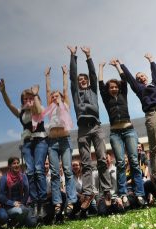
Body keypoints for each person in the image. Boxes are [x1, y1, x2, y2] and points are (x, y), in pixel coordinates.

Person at [119, 54, 156, 196]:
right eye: (139, 78)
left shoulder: (155, 84)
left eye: (142, 76)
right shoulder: (139, 89)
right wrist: (121, 65)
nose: (141, 78)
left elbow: (155, 75)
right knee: (155, 147)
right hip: (151, 115)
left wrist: (152, 61)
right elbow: (130, 79)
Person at [67, 46, 112, 213]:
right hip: (82, 130)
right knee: (86, 163)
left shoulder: (93, 91)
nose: (81, 81)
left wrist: (88, 57)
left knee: (101, 159)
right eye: (80, 81)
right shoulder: (75, 93)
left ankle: (106, 191)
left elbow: (93, 74)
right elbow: (72, 77)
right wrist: (73, 56)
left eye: (84, 80)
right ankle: (88, 193)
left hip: (96, 127)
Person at [98, 59, 145, 208]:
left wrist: (117, 65)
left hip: (129, 130)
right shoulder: (106, 99)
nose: (113, 89)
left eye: (115, 87)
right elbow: (100, 85)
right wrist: (100, 68)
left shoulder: (123, 94)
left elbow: (124, 80)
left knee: (134, 161)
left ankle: (139, 194)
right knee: (120, 163)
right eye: (111, 87)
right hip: (115, 133)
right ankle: (123, 194)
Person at [0, 79, 48, 219]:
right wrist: (3, 92)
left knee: (39, 169)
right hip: (27, 142)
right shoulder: (21, 112)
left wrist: (35, 95)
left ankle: (42, 203)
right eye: (25, 98)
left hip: (40, 140)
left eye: (29, 98)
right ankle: (34, 203)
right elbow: (9, 104)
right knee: (30, 171)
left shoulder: (39, 107)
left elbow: (37, 110)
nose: (27, 100)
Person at [44, 65, 77, 218]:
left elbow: (65, 90)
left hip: (64, 141)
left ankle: (70, 201)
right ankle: (57, 204)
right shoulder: (50, 107)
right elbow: (47, 92)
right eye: (54, 96)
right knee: (55, 173)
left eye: (57, 96)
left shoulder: (65, 105)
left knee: (68, 171)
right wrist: (47, 77)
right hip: (52, 142)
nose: (55, 97)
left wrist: (65, 74)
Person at [0, 157, 37, 228]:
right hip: (9, 207)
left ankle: (20, 221)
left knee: (32, 223)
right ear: (9, 166)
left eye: (17, 163)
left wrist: (22, 202)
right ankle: (14, 223)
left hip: (22, 205)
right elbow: (1, 196)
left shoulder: (23, 176)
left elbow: (27, 191)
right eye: (14, 163)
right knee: (23, 211)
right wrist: (12, 203)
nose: (16, 165)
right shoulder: (4, 178)